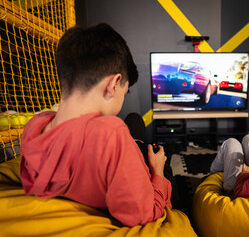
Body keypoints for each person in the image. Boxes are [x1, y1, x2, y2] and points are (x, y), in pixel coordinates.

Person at [19, 23, 172, 227]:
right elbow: (143, 213)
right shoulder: (111, 134)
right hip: (148, 180)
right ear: (114, 83)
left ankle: (137, 143)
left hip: (112, 159)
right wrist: (158, 172)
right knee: (164, 162)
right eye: (124, 93)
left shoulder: (35, 125)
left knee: (135, 123)